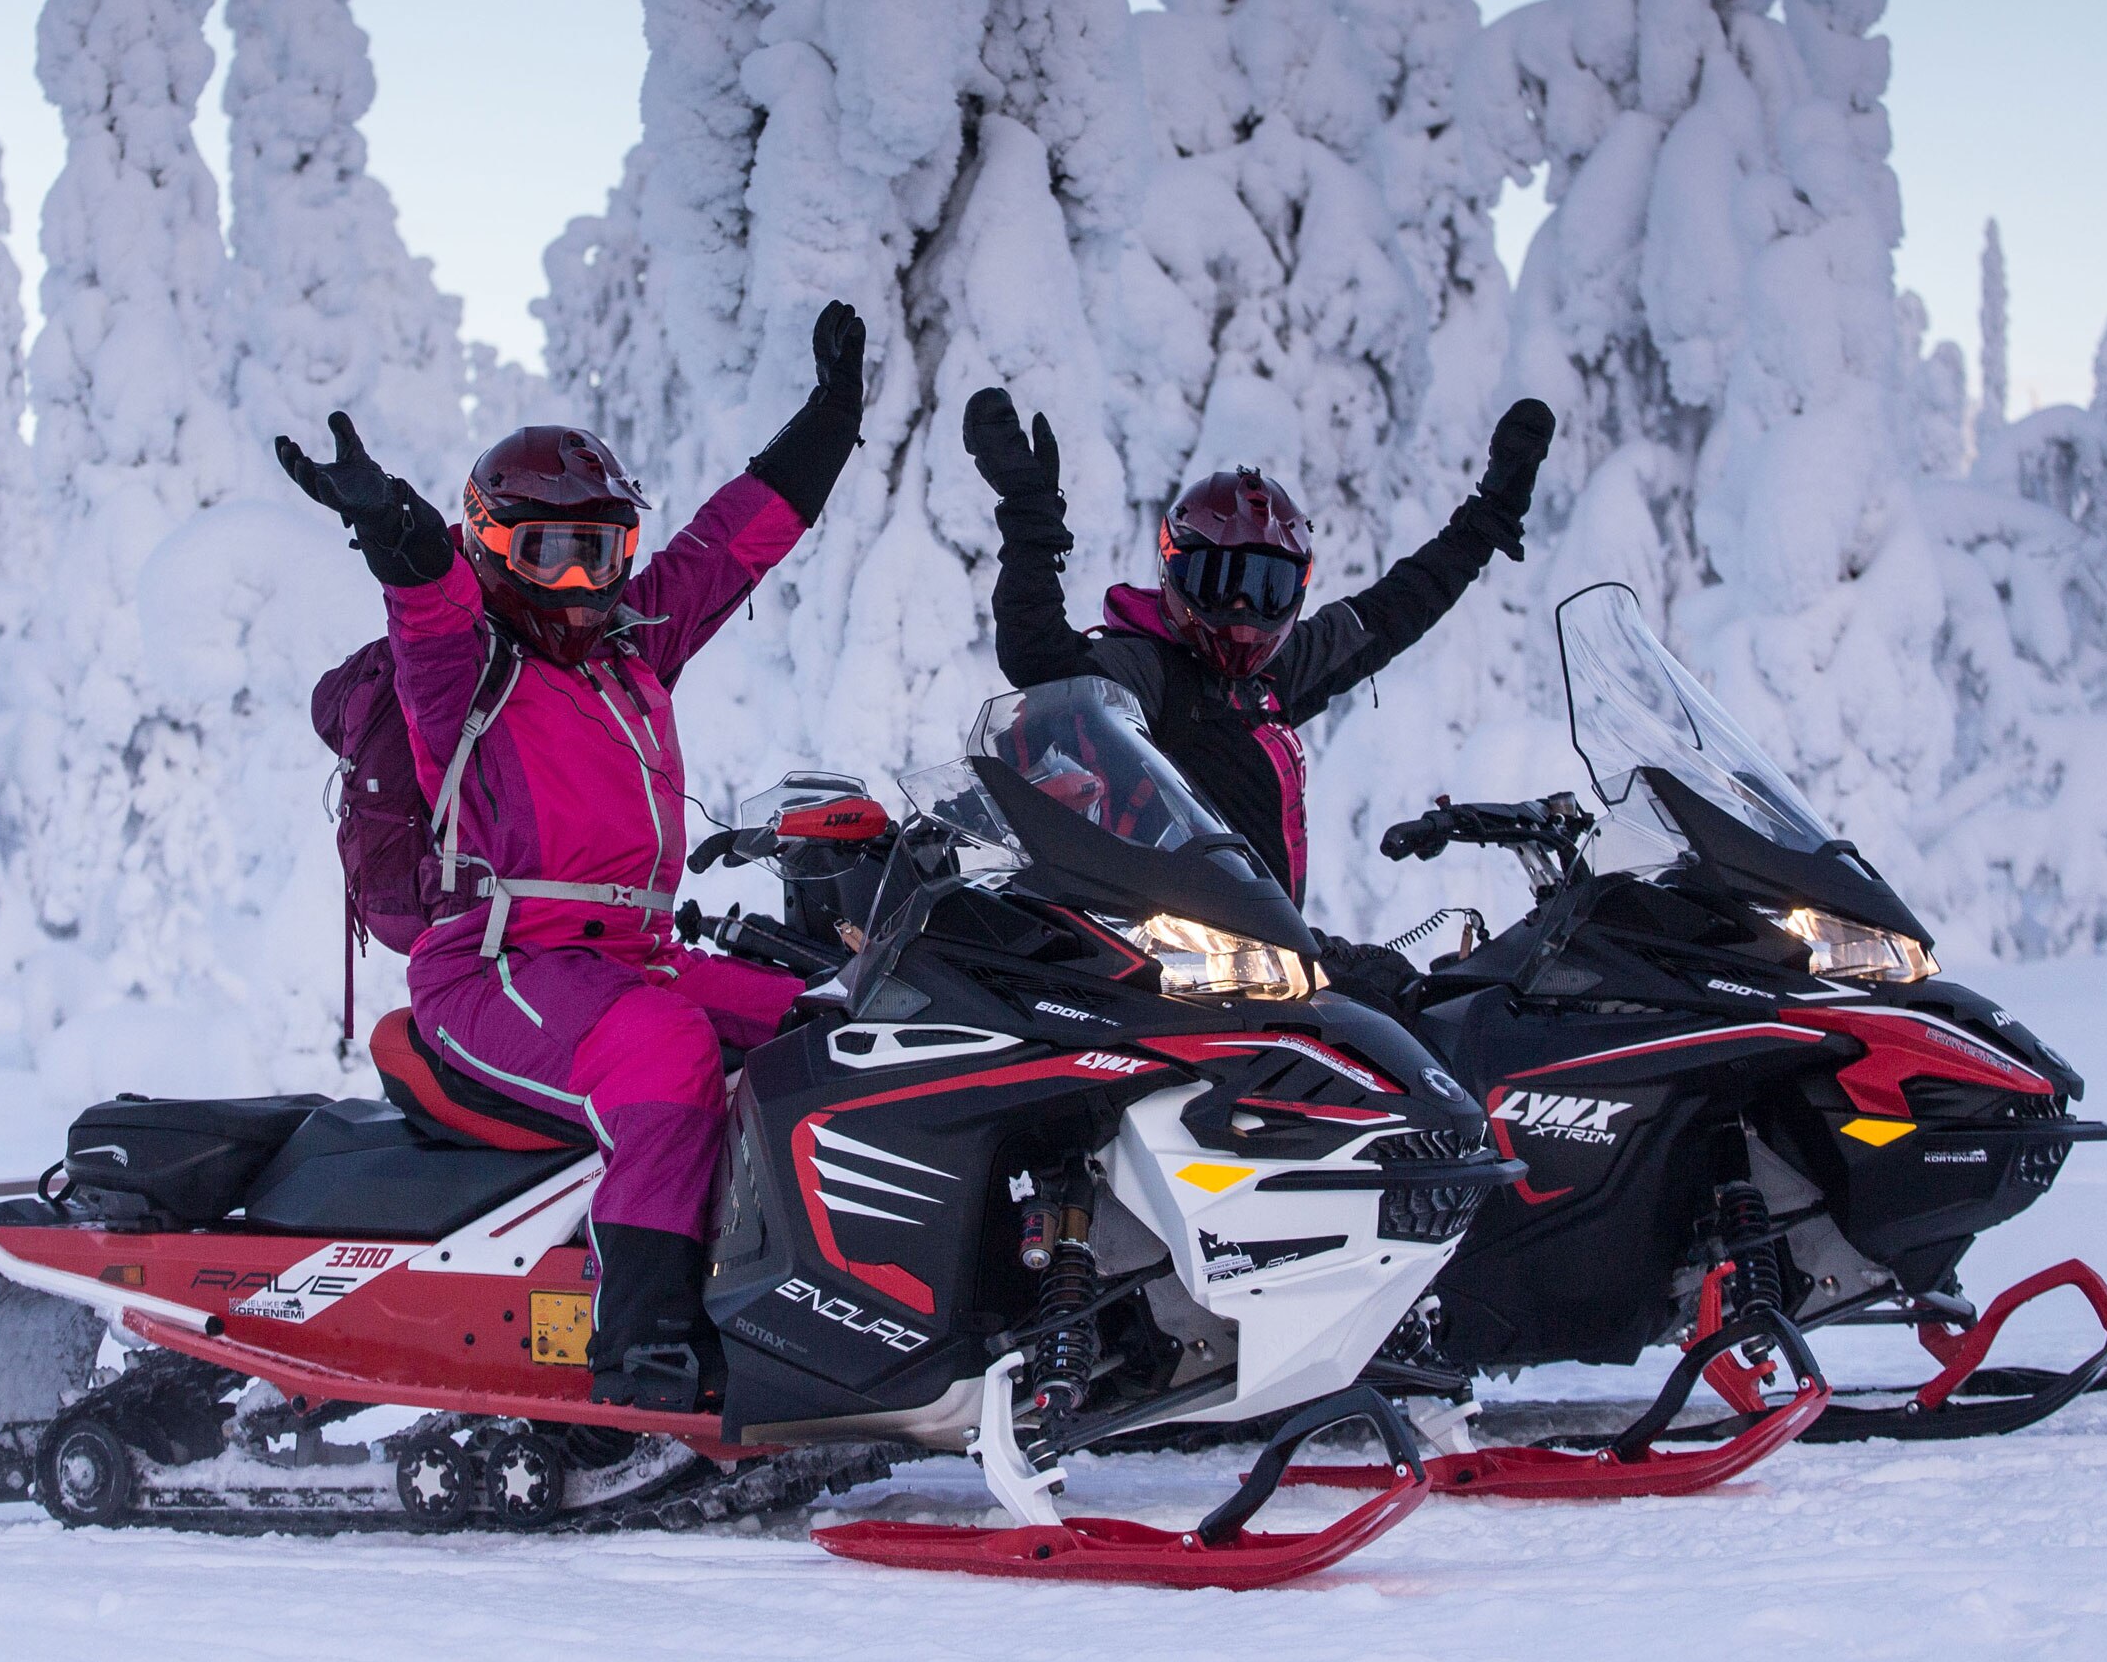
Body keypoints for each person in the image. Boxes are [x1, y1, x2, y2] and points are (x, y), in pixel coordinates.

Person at [277, 303, 867, 1410]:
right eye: (546, 551)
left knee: (831, 1020)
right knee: (664, 1051)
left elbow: (730, 545)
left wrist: (830, 417)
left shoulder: (634, 649)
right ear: (492, 547)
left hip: (627, 958)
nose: (579, 581)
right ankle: (642, 1342)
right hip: (494, 968)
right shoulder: (468, 671)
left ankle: (821, 1304)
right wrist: (392, 527)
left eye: (600, 551)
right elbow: (429, 603)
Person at [961, 387, 1554, 992]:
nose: (1242, 608)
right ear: (1174, 573)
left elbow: (1393, 610)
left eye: (1266, 586)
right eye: (1219, 580)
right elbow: (1041, 658)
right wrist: (1029, 518)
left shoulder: (1270, 680)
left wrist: (1488, 518)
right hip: (1178, 966)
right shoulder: (1152, 669)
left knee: (1434, 1007)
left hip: (1256, 962)